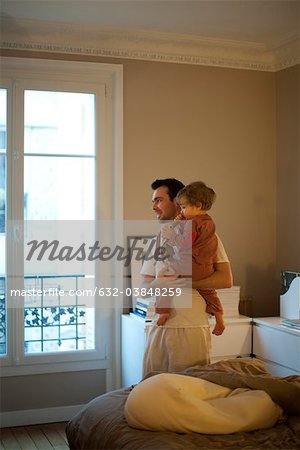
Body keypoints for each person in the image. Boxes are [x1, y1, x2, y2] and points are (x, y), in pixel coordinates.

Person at [141, 178, 233, 377]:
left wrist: (184, 281)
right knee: (151, 389)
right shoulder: (158, 239)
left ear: (176, 202)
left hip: (191, 329)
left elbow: (225, 280)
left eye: (158, 200)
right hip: (159, 327)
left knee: (188, 390)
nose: (154, 207)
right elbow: (145, 286)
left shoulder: (208, 237)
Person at [156, 181, 225, 336]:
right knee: (210, 293)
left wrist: (172, 234)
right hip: (204, 268)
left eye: (184, 207)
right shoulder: (208, 222)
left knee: (164, 280)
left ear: (198, 205)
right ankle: (220, 317)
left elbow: (184, 243)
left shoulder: (192, 223)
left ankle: (163, 311)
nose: (182, 210)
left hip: (189, 265)